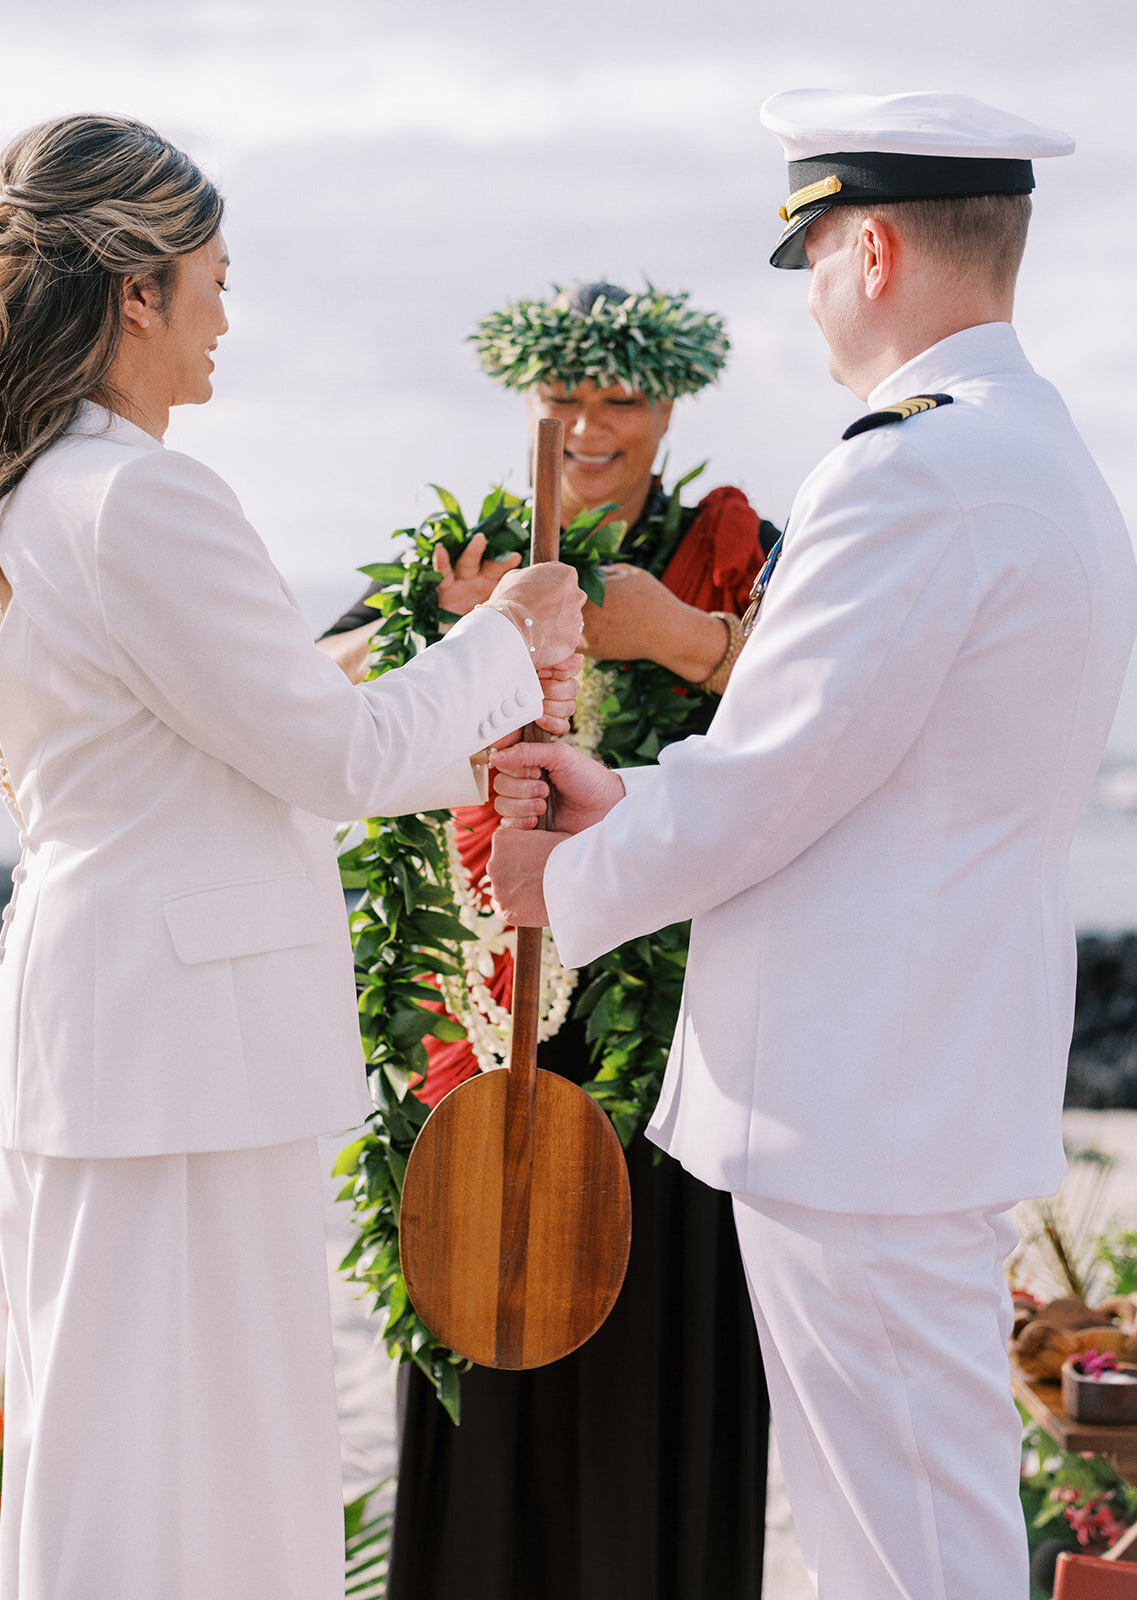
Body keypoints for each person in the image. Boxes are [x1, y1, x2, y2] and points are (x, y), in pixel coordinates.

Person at [488, 88, 1137, 1600]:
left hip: (863, 1103)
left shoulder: (905, 463)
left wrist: (561, 878)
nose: (816, 303)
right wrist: (618, 797)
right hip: (924, 1081)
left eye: (817, 254)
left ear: (876, 247)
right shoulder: (1042, 451)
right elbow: (869, 776)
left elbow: (777, 779)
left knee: (904, 1548)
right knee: (911, 1521)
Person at [0, 114, 585, 1600]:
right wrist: (514, 637)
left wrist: (412, 654)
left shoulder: (26, 493)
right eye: (213, 277)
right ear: (138, 293)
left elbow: (206, 732)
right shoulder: (147, 497)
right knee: (207, 1470)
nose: (229, 312)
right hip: (178, 1056)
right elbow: (335, 762)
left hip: (102, 1028)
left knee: (113, 1460)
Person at [322, 282, 774, 1600]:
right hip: (483, 1011)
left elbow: (834, 706)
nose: (589, 425)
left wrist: (678, 641)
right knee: (491, 1354)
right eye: (562, 399)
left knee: (660, 1381)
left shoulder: (732, 553)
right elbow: (310, 698)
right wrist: (460, 639)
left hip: (676, 1047)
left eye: (622, 398)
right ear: (524, 399)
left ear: (671, 403)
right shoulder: (476, 550)